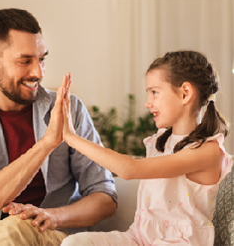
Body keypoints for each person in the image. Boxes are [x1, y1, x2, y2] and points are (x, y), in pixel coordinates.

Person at [0, 8, 117, 246]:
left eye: (41, 59)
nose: (38, 72)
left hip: (50, 235)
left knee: (12, 228)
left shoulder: (68, 111)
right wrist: (46, 144)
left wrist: (52, 216)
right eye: (25, 61)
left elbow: (105, 198)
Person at [57, 50, 233, 246]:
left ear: (185, 93)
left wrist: (71, 138)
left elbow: (130, 169)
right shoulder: (160, 143)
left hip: (179, 242)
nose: (148, 103)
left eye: (155, 92)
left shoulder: (207, 151)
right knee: (76, 243)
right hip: (140, 239)